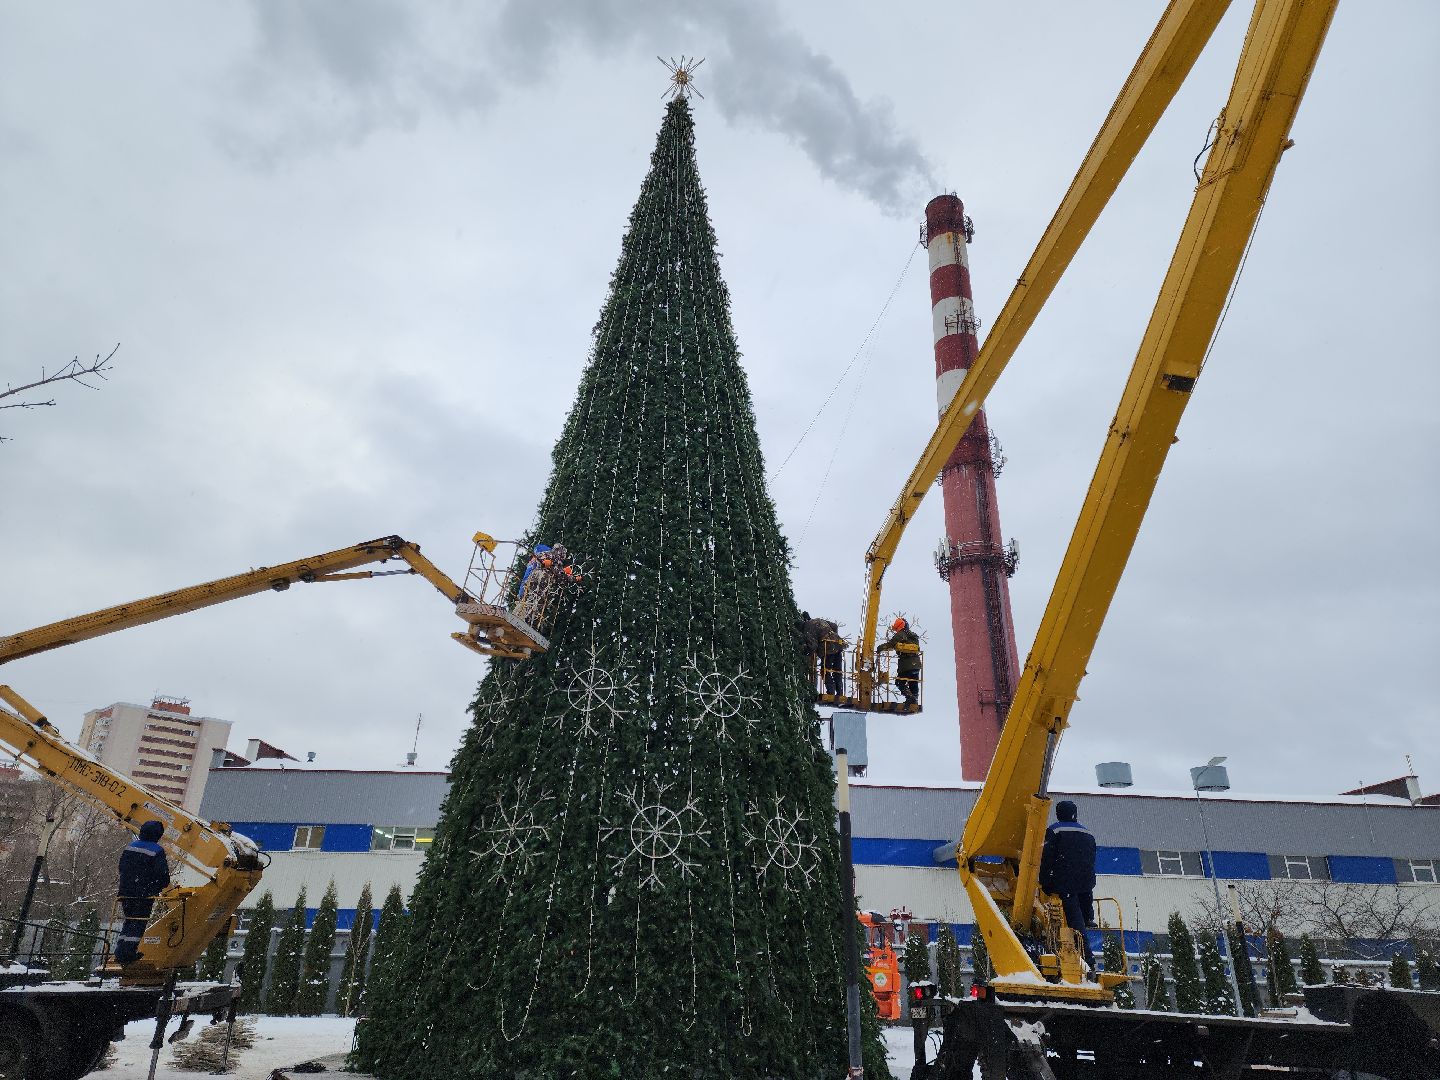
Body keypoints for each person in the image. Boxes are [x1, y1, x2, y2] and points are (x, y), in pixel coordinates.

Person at [1038, 800, 1097, 975]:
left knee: (1075, 921)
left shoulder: (1054, 830)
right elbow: (1091, 858)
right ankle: (1089, 917)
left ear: (1058, 814)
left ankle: (1088, 959)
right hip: (1085, 882)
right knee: (1084, 911)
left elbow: (1047, 858)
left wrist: (1045, 883)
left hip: (1065, 882)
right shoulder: (1087, 832)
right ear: (1075, 814)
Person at [115, 820, 170, 966]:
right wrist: (158, 886)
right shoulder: (156, 850)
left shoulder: (131, 847)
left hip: (126, 893)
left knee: (129, 921)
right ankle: (127, 954)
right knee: (138, 923)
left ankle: (120, 952)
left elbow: (121, 867)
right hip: (144, 894)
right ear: (158, 835)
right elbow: (162, 874)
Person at [876, 617, 921, 706]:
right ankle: (914, 700)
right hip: (916, 664)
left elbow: (890, 644)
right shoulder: (913, 636)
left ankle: (910, 698)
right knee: (913, 682)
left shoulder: (900, 634)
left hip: (906, 665)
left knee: (899, 682)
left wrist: (879, 648)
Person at [799, 613, 845, 696]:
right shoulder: (817, 620)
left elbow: (813, 646)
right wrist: (832, 636)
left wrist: (805, 652)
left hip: (828, 648)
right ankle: (840, 693)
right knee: (837, 670)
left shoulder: (807, 629)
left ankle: (831, 692)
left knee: (825, 670)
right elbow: (834, 626)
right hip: (838, 643)